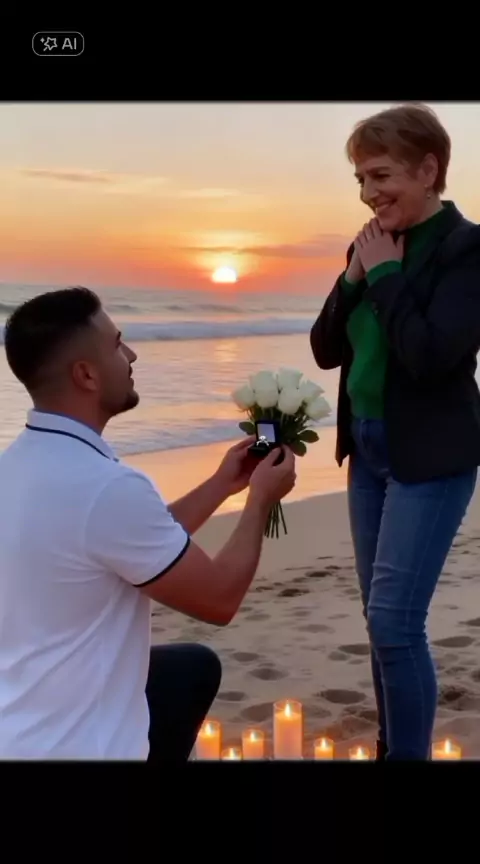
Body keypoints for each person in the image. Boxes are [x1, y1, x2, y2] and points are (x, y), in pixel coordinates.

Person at [0, 287, 296, 761]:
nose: (132, 355)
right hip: (83, 748)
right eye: (118, 344)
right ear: (86, 374)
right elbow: (219, 599)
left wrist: (222, 485)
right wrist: (260, 500)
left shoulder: (16, 467)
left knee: (190, 668)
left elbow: (129, 542)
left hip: (18, 731)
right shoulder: (105, 486)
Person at [310, 102, 480, 761]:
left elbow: (430, 355)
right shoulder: (369, 247)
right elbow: (326, 348)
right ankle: (391, 745)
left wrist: (382, 274)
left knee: (395, 622)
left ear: (428, 170)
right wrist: (355, 275)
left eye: (380, 175)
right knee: (379, 620)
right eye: (361, 179)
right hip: (368, 451)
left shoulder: (466, 249)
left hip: (430, 456)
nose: (368, 193)